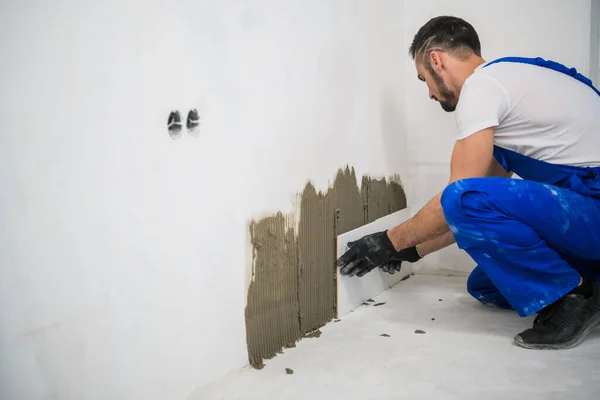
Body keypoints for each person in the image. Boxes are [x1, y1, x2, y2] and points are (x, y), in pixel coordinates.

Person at [336, 16, 600, 350]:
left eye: (423, 80)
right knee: (487, 285)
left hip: (594, 208)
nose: (430, 93)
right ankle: (592, 286)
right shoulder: (510, 89)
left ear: (436, 60)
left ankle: (575, 297)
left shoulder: (483, 86)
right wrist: (412, 251)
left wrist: (389, 241)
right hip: (586, 214)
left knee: (464, 197)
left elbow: (460, 197)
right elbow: (477, 211)